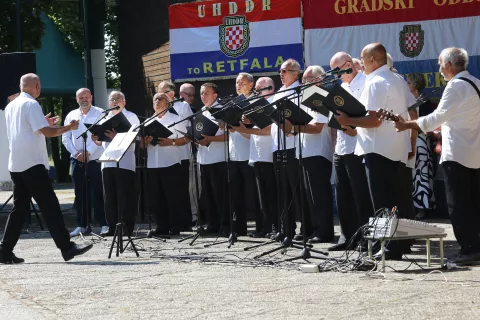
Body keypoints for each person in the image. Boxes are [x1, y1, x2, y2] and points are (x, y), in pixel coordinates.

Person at [393, 47, 480, 265]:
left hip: (458, 154)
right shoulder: (476, 83)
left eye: (440, 64)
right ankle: (475, 246)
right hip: (474, 152)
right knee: (473, 203)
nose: (439, 69)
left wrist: (406, 125)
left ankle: (469, 249)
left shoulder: (455, 86)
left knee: (458, 205)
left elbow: (435, 118)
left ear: (449, 65)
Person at [0, 73, 93, 263]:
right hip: (32, 164)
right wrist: (68, 127)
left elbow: (29, 129)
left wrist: (45, 124)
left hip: (16, 164)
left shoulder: (12, 105)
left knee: (19, 209)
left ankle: (4, 250)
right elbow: (48, 133)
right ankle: (67, 248)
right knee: (50, 207)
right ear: (37, 86)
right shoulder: (31, 104)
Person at [336, 43, 410, 260]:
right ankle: (394, 246)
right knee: (393, 201)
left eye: (362, 58)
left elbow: (373, 120)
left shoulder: (375, 81)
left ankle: (387, 247)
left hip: (377, 149)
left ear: (373, 60)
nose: (359, 63)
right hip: (395, 147)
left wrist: (346, 119)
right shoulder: (397, 79)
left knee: (381, 202)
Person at [328, 52, 374, 251]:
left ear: (348, 64)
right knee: (343, 194)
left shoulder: (365, 82)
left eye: (336, 70)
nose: (335, 74)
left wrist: (350, 125)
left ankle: (366, 238)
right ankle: (347, 237)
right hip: (342, 146)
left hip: (358, 146)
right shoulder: (341, 87)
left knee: (360, 194)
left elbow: (368, 115)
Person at [292, 65, 334, 244]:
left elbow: (317, 128)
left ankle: (324, 232)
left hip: (318, 152)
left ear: (318, 79)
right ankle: (315, 229)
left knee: (320, 195)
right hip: (306, 152)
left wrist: (293, 127)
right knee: (310, 196)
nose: (303, 81)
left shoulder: (320, 97)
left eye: (307, 78)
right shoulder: (307, 97)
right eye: (303, 78)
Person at [232, 77, 278, 237]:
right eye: (256, 90)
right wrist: (241, 127)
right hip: (256, 155)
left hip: (269, 155)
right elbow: (250, 136)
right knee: (262, 197)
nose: (256, 93)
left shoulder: (273, 103)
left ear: (270, 88)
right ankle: (265, 228)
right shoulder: (256, 106)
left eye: (259, 90)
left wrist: (247, 129)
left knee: (272, 195)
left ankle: (276, 228)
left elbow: (269, 130)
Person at [141, 93, 190, 236]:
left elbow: (186, 138)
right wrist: (146, 141)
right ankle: (161, 227)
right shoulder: (147, 122)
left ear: (168, 103)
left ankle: (175, 226)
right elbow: (142, 145)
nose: (157, 101)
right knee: (156, 198)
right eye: (155, 99)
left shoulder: (176, 119)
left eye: (160, 99)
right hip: (152, 164)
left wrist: (172, 142)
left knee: (172, 196)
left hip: (170, 162)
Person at [92, 91, 140, 237]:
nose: (114, 102)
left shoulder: (131, 117)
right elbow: (101, 142)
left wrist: (117, 136)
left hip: (124, 162)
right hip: (107, 162)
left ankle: (126, 228)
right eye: (112, 100)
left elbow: (135, 138)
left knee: (124, 196)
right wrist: (96, 139)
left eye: (117, 99)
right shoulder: (104, 118)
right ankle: (112, 227)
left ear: (124, 102)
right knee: (110, 197)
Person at [62, 88, 108, 237]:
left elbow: (101, 136)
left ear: (91, 97)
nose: (84, 99)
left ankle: (104, 224)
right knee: (80, 194)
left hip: (95, 159)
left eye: (86, 96)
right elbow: (65, 138)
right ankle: (82, 225)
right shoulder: (71, 115)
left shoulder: (100, 113)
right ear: (77, 99)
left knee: (99, 192)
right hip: (77, 160)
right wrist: (76, 154)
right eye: (80, 97)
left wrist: (87, 152)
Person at [270, 58, 302, 239]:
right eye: (280, 71)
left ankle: (305, 228)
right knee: (282, 189)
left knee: (295, 189)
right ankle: (286, 229)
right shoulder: (279, 92)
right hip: (278, 146)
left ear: (295, 73)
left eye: (284, 71)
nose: (280, 74)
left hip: (293, 145)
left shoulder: (299, 90)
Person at [158, 80, 193, 231]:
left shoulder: (182, 106)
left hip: (182, 153)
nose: (158, 97)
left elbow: (189, 127)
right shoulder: (158, 109)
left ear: (171, 94)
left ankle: (184, 223)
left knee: (180, 191)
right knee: (167, 192)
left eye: (162, 93)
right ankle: (171, 223)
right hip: (164, 156)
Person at [226, 73, 257, 235]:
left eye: (242, 82)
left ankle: (260, 227)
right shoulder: (233, 103)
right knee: (235, 193)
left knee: (254, 193)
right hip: (233, 153)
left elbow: (253, 133)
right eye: (237, 82)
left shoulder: (256, 102)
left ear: (251, 84)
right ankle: (238, 228)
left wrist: (237, 127)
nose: (238, 85)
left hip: (250, 153)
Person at [196, 83, 228, 234]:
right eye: (201, 93)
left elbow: (229, 135)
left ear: (215, 95)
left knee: (220, 194)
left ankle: (225, 224)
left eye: (206, 93)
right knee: (208, 194)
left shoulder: (221, 110)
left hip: (218, 158)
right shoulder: (202, 111)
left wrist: (210, 138)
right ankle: (212, 224)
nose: (203, 96)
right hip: (203, 158)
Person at [406, 73, 436, 219]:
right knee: (411, 176)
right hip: (408, 139)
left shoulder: (424, 100)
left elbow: (428, 123)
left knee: (422, 174)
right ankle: (411, 207)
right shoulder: (405, 99)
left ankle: (422, 208)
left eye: (409, 82)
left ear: (416, 84)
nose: (407, 84)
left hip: (421, 140)